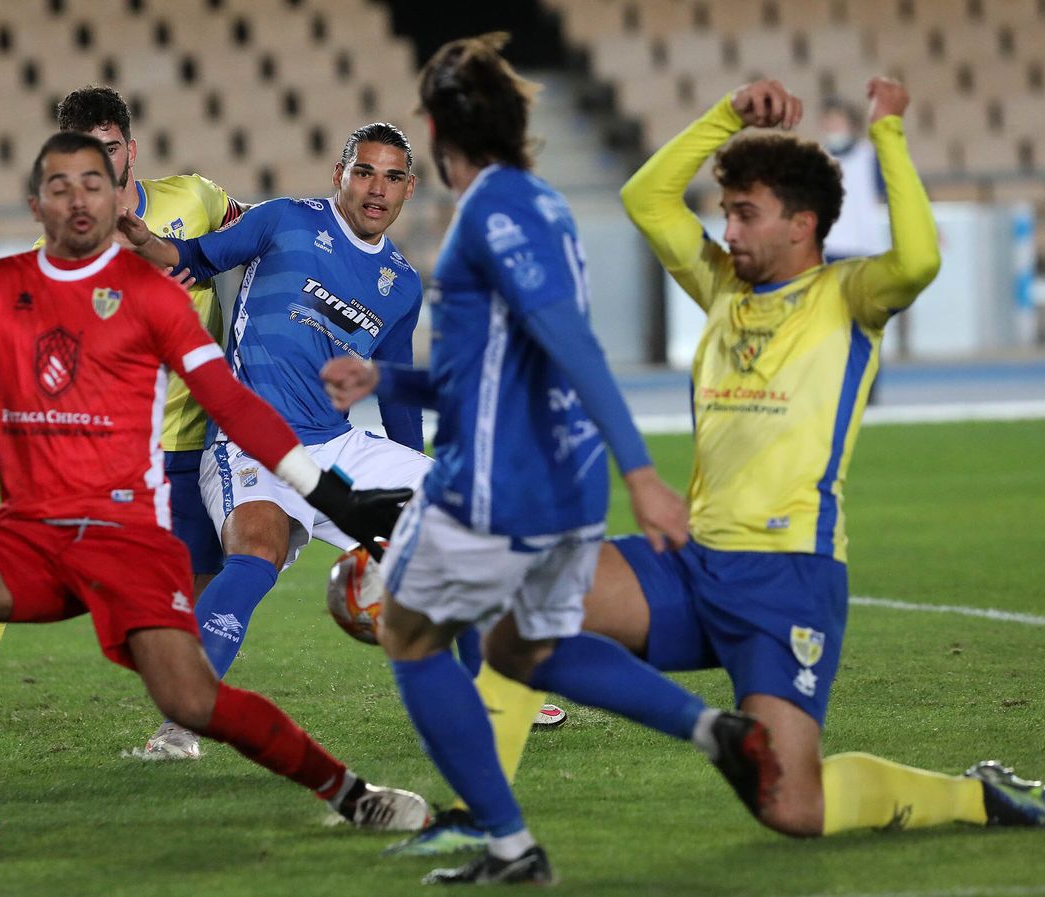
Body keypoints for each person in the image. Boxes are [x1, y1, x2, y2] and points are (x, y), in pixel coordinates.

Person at [382, 75, 1045, 856]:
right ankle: (481, 816)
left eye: (745, 213)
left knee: (790, 804)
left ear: (802, 224)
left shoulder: (847, 296)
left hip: (787, 579)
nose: (730, 229)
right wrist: (724, 118)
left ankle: (974, 796)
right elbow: (648, 199)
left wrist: (887, 132)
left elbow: (917, 259)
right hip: (689, 560)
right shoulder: (722, 287)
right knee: (521, 619)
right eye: (726, 211)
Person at [0, 132, 431, 852]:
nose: (79, 199)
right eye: (61, 185)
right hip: (32, 531)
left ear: (117, 199)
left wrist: (339, 498)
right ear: (35, 202)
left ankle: (352, 794)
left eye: (92, 184)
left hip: (123, 537)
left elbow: (234, 411)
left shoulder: (153, 298)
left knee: (192, 698)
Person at [319, 34, 782, 885]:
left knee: (413, 634)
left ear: (433, 126)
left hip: (501, 487)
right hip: (562, 491)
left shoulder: (490, 214)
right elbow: (485, 370)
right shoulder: (544, 202)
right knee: (527, 648)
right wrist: (385, 378)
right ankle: (710, 730)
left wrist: (642, 470)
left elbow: (569, 340)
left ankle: (507, 844)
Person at [0, 85, 246, 759]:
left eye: (113, 151)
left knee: (204, 589)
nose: (104, 170)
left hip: (203, 445)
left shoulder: (195, 199)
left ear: (131, 150)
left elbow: (255, 241)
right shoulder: (61, 247)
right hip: (116, 460)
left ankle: (181, 729)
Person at [115, 122, 433, 761]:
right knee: (257, 550)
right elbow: (198, 257)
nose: (376, 189)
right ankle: (181, 719)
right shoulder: (283, 220)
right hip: (251, 440)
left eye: (392, 177)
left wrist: (417, 471)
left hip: (339, 446)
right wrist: (148, 241)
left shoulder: (402, 282)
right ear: (338, 174)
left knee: (468, 510)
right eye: (364, 172)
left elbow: (394, 390)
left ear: (409, 189)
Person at [817, 97, 889, 263]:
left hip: (864, 245)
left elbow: (894, 195)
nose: (833, 126)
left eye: (838, 120)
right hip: (829, 247)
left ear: (851, 123)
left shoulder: (869, 156)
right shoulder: (816, 158)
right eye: (828, 120)